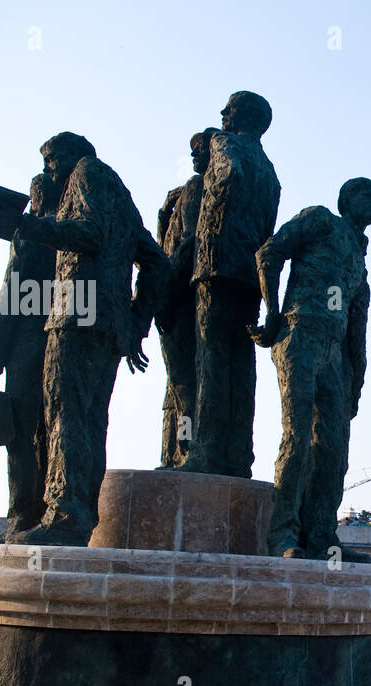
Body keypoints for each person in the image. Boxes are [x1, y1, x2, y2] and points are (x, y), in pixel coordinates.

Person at [11, 132, 169, 546]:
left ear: (71, 155)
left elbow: (89, 233)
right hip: (107, 320)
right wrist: (134, 322)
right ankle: (77, 516)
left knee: (63, 414)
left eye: (51, 161)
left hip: (76, 309)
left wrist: (33, 226)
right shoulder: (119, 191)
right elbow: (156, 262)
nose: (50, 171)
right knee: (89, 420)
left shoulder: (86, 173)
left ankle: (66, 516)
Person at [250, 178, 371, 560]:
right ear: (344, 201)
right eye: (364, 195)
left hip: (335, 355)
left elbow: (358, 330)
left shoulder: (360, 262)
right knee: (299, 436)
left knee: (334, 449)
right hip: (300, 334)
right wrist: (271, 314)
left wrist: (354, 386)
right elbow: (269, 253)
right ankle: (283, 535)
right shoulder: (321, 220)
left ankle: (322, 536)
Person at [179, 92, 280, 478]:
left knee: (211, 360)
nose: (222, 114)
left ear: (241, 118)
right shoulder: (270, 170)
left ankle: (203, 453)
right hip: (249, 272)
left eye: (229, 109)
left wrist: (213, 229)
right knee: (241, 366)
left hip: (217, 263)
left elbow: (228, 173)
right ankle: (238, 455)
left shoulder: (225, 143)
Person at [0, 172, 57, 537]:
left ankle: (21, 515)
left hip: (28, 343)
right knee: (55, 429)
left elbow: (10, 298)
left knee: (21, 435)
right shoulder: (74, 231)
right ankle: (49, 512)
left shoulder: (28, 235)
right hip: (64, 340)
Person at [155, 128, 219, 469]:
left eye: (202, 149)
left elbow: (187, 245)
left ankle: (186, 448)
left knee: (184, 386)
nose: (195, 156)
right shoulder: (182, 194)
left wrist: (162, 294)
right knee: (179, 386)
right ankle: (177, 450)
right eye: (192, 150)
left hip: (180, 295)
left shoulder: (197, 190)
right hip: (180, 295)